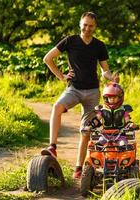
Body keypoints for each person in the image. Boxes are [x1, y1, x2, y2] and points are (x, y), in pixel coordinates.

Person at [41, 11, 119, 179]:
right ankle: (52, 146)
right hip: (74, 89)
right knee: (57, 106)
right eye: (85, 25)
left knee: (86, 132)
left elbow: (104, 70)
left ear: (95, 27)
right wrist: (61, 76)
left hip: (92, 92)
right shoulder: (70, 40)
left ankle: (78, 168)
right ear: (80, 24)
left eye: (91, 26)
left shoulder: (99, 45)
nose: (87, 28)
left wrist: (111, 77)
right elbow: (48, 58)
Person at [85, 82, 137, 147]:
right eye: (110, 98)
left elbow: (127, 121)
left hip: (120, 135)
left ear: (120, 98)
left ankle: (124, 156)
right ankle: (97, 157)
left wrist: (131, 125)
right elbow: (97, 120)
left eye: (114, 97)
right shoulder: (102, 110)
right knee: (99, 144)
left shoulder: (124, 110)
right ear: (106, 98)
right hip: (105, 135)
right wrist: (90, 126)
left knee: (123, 145)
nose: (112, 99)